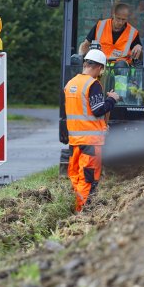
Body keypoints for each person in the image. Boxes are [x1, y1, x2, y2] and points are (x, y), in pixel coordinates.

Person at [63, 48, 121, 212]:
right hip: (90, 142)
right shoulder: (93, 84)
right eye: (102, 70)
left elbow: (82, 111)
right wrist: (111, 99)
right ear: (99, 67)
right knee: (88, 178)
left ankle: (78, 206)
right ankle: (83, 212)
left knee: (76, 175)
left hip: (74, 141)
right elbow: (97, 110)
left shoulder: (71, 84)